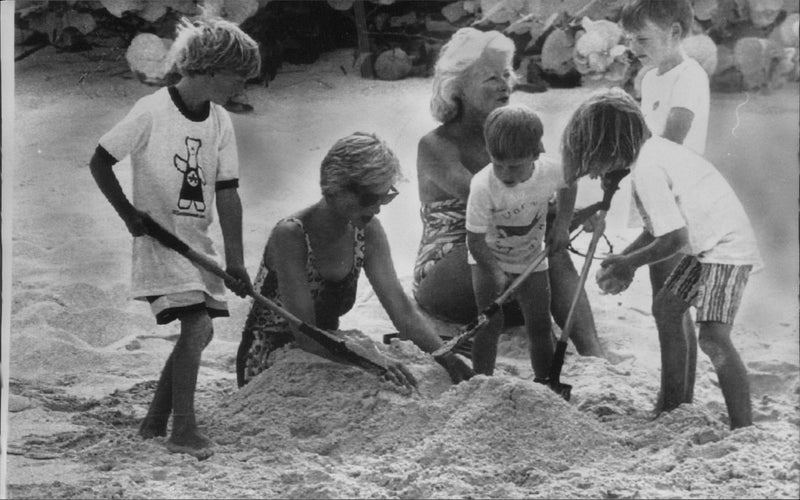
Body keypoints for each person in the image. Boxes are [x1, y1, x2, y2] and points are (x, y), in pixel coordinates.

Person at [89, 16, 260, 459]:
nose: (241, 90)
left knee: (198, 334)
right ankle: (182, 430)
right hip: (158, 240)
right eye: (237, 79)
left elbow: (227, 193)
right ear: (209, 68)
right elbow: (100, 161)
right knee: (198, 325)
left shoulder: (220, 121)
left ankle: (154, 421)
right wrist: (129, 215)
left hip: (196, 243)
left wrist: (236, 260)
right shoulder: (152, 110)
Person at [562, 88, 760, 429]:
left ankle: (743, 427)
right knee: (667, 308)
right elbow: (658, 230)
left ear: (609, 146)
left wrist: (628, 264)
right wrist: (626, 257)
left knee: (714, 336)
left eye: (593, 161)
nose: (594, 173)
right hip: (707, 246)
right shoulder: (652, 155)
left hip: (725, 249)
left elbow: (674, 239)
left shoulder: (649, 169)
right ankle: (673, 405)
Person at [412, 27, 604, 357]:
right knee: (534, 236)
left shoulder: (521, 136)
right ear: (457, 87)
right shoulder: (437, 146)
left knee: (549, 242)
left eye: (506, 74)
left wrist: (581, 214)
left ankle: (594, 352)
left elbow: (552, 203)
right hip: (449, 274)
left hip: (515, 271)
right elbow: (494, 205)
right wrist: (562, 215)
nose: (504, 84)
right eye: (490, 78)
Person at [237, 132, 474, 388]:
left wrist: (446, 357)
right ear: (335, 188)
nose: (377, 208)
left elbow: (403, 312)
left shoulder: (368, 230)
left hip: (331, 347)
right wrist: (370, 362)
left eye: (386, 196)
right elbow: (305, 334)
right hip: (271, 354)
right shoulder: (291, 235)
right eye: (369, 199)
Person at [621, 0, 710, 404]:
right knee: (668, 303)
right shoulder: (649, 77)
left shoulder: (689, 76)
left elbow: (673, 137)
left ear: (674, 33)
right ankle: (679, 396)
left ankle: (673, 399)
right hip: (655, 193)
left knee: (667, 307)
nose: (634, 47)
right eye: (630, 39)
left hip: (678, 195)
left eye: (642, 38)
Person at [465, 105, 576, 377]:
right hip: (488, 259)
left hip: (531, 257)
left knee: (539, 325)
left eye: (514, 166)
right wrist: (495, 272)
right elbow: (475, 240)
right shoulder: (482, 186)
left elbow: (569, 183)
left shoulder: (551, 170)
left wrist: (562, 225)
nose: (504, 173)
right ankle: (481, 382)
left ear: (535, 154)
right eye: (497, 163)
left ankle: (545, 384)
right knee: (488, 324)